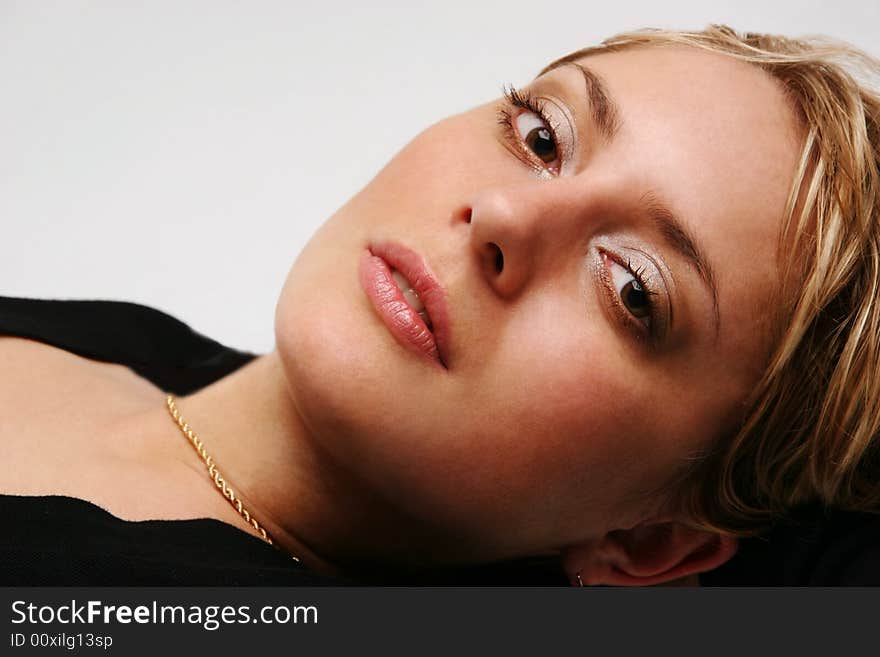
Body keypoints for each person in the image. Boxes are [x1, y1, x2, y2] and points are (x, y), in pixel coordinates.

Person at [2, 24, 879, 586]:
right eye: (542, 136)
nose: (503, 214)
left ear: (655, 546)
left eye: (632, 289)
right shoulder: (135, 344)